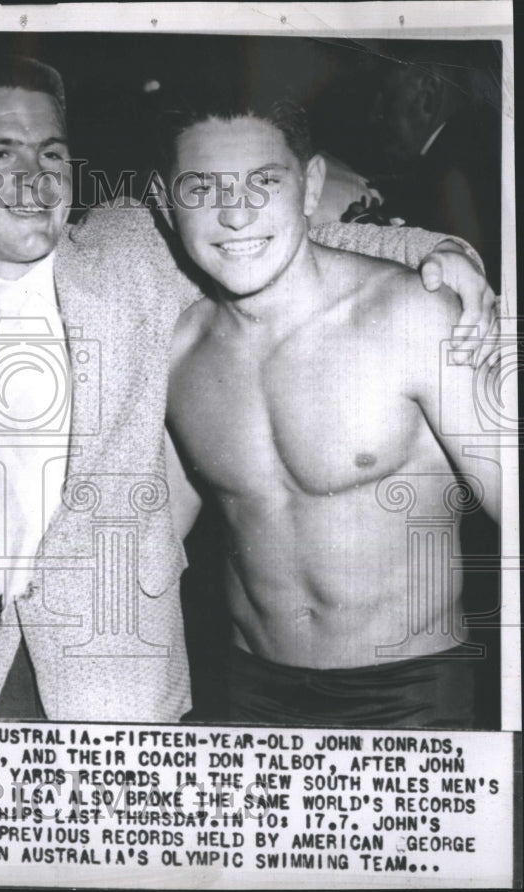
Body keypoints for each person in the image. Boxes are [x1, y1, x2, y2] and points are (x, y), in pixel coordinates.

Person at [0, 54, 496, 722]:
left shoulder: (133, 256)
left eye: (53, 154)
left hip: (126, 681)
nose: (33, 180)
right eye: (0, 155)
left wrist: (439, 255)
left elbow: (284, 236)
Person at [160, 92, 502, 727]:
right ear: (165, 199)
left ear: (310, 185)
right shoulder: (181, 351)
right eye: (202, 188)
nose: (235, 214)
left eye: (264, 181)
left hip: (410, 693)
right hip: (247, 690)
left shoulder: (412, 316)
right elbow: (157, 533)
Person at [367, 49, 502, 289]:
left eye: (387, 99)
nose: (374, 117)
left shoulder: (452, 172)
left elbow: (464, 279)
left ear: (428, 94)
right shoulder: (480, 140)